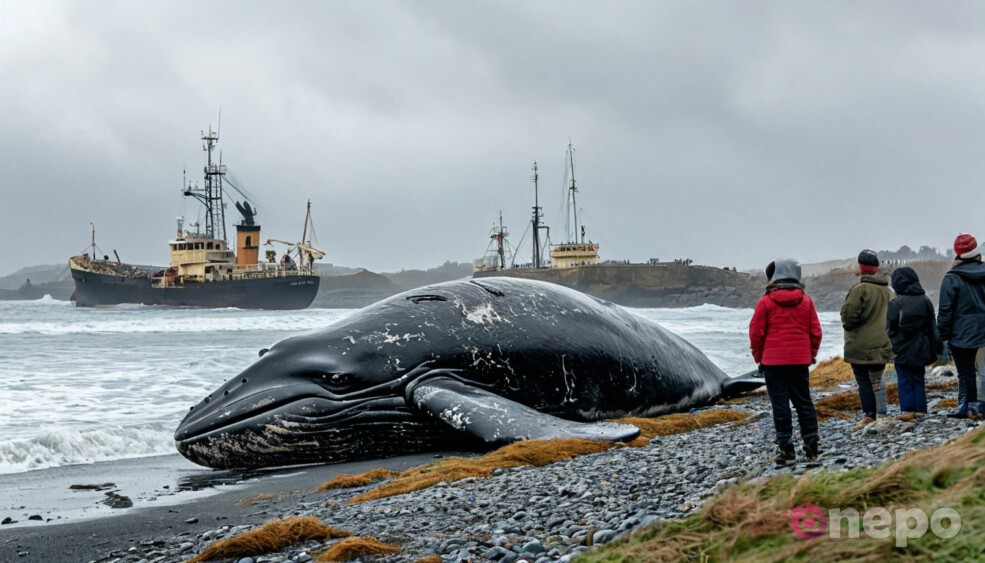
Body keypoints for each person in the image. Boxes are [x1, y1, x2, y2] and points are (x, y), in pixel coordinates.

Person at [749, 258, 822, 466]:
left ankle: (787, 451)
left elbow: (756, 333)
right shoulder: (806, 301)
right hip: (799, 361)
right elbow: (816, 332)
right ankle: (812, 447)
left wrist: (759, 357)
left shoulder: (765, 302)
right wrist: (810, 354)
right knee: (804, 402)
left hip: (773, 363)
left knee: (780, 405)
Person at [841, 249, 894, 428]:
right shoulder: (888, 291)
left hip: (860, 345)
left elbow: (848, 317)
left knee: (863, 380)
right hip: (883, 342)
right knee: (878, 379)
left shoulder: (859, 289)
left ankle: (869, 415)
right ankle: (882, 413)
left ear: (861, 267)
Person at [937, 233, 985, 418]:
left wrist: (942, 335)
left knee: (966, 374)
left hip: (961, 334)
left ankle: (966, 407)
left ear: (957, 253)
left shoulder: (952, 277)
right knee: (983, 371)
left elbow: (945, 310)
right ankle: (980, 407)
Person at [887, 267, 942, 421]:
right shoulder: (925, 300)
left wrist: (893, 345)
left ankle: (907, 409)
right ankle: (921, 409)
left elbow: (890, 329)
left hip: (902, 349)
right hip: (921, 348)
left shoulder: (895, 303)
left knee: (904, 379)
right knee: (918, 378)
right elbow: (933, 326)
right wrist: (938, 347)